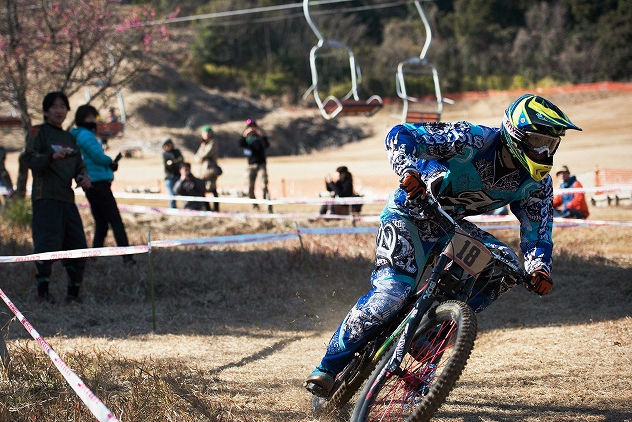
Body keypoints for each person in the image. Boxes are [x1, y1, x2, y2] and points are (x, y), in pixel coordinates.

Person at [304, 94, 582, 397]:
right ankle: (328, 367)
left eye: (552, 145)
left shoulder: (537, 184)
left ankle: (433, 332)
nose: (545, 152)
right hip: (410, 213)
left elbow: (538, 232)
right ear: (516, 134)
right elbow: (401, 134)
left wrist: (538, 267)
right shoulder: (471, 140)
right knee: (391, 294)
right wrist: (407, 170)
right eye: (539, 142)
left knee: (505, 266)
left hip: (452, 227)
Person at [25, 92, 92, 304]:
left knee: (77, 245)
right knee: (46, 245)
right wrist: (51, 157)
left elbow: (79, 165)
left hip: (67, 199)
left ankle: (73, 294)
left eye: (63, 106)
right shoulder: (38, 132)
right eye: (54, 106)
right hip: (45, 198)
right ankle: (42, 293)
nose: (59, 110)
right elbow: (30, 159)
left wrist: (84, 177)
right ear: (45, 111)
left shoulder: (70, 138)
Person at [70, 104, 135, 266]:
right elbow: (97, 156)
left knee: (101, 223)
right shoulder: (85, 135)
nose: (92, 120)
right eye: (89, 117)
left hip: (91, 183)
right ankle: (127, 258)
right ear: (82, 119)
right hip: (98, 182)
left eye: (93, 117)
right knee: (115, 221)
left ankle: (93, 257)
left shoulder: (78, 135)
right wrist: (110, 162)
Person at [239, 118, 270, 209]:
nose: (252, 129)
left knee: (263, 185)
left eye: (253, 127)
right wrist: (244, 136)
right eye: (250, 127)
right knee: (249, 187)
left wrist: (262, 136)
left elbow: (266, 145)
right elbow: (241, 145)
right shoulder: (247, 138)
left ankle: (268, 206)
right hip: (250, 164)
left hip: (261, 164)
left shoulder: (260, 137)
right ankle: (254, 206)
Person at [193, 125, 221, 211]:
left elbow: (206, 153)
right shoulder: (203, 144)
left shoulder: (213, 143)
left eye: (208, 133)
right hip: (202, 170)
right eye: (205, 133)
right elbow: (196, 157)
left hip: (210, 170)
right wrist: (200, 158)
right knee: (202, 189)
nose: (206, 135)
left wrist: (201, 157)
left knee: (212, 189)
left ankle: (216, 209)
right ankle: (207, 208)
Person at [162, 137, 184, 209]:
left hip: (178, 176)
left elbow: (181, 160)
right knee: (171, 195)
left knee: (183, 193)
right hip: (169, 177)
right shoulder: (165, 154)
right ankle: (173, 209)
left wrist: (173, 162)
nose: (168, 146)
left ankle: (186, 208)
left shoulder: (176, 152)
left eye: (169, 144)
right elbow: (166, 165)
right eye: (166, 145)